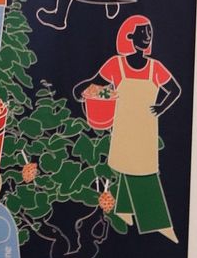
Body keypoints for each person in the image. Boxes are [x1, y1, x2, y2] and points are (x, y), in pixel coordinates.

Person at [75, 15, 180, 241]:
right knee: (132, 166)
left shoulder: (155, 68)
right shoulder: (116, 64)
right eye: (142, 32)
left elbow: (175, 89)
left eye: (149, 32)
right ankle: (150, 220)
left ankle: (136, 215)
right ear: (130, 37)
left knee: (144, 168)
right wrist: (82, 91)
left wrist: (161, 107)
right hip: (124, 126)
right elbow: (95, 83)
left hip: (146, 127)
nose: (147, 37)